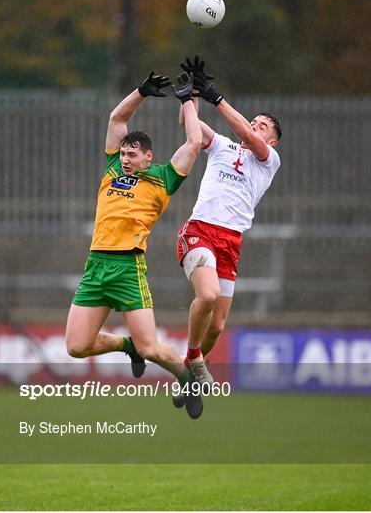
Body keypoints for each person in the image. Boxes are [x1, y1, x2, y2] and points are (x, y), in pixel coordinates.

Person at [65, 70, 204, 419]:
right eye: (123, 153)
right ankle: (127, 347)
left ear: (148, 157)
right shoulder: (112, 169)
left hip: (128, 267)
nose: (125, 158)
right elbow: (118, 117)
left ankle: (187, 378)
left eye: (132, 154)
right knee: (76, 347)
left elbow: (194, 143)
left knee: (152, 348)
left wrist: (189, 100)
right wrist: (141, 92)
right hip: (96, 265)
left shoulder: (163, 178)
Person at [175, 56, 282, 389]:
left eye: (262, 126)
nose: (254, 126)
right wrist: (190, 95)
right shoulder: (223, 146)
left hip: (231, 241)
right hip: (200, 231)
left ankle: (187, 376)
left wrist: (216, 98)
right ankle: (193, 358)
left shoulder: (268, 160)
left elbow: (249, 137)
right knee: (207, 297)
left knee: (218, 325)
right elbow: (190, 127)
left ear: (273, 141)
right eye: (254, 122)